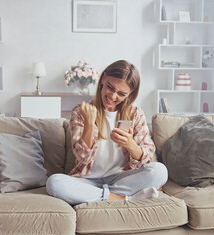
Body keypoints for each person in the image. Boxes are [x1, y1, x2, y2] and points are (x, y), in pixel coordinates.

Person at [46, 60, 168, 205]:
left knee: (160, 171)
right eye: (110, 87)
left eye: (122, 93)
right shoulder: (81, 111)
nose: (113, 96)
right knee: (54, 182)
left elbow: (147, 159)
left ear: (130, 94)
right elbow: (82, 158)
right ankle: (123, 198)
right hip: (87, 180)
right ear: (103, 78)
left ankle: (99, 196)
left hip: (121, 178)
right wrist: (90, 124)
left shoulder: (135, 114)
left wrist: (130, 144)